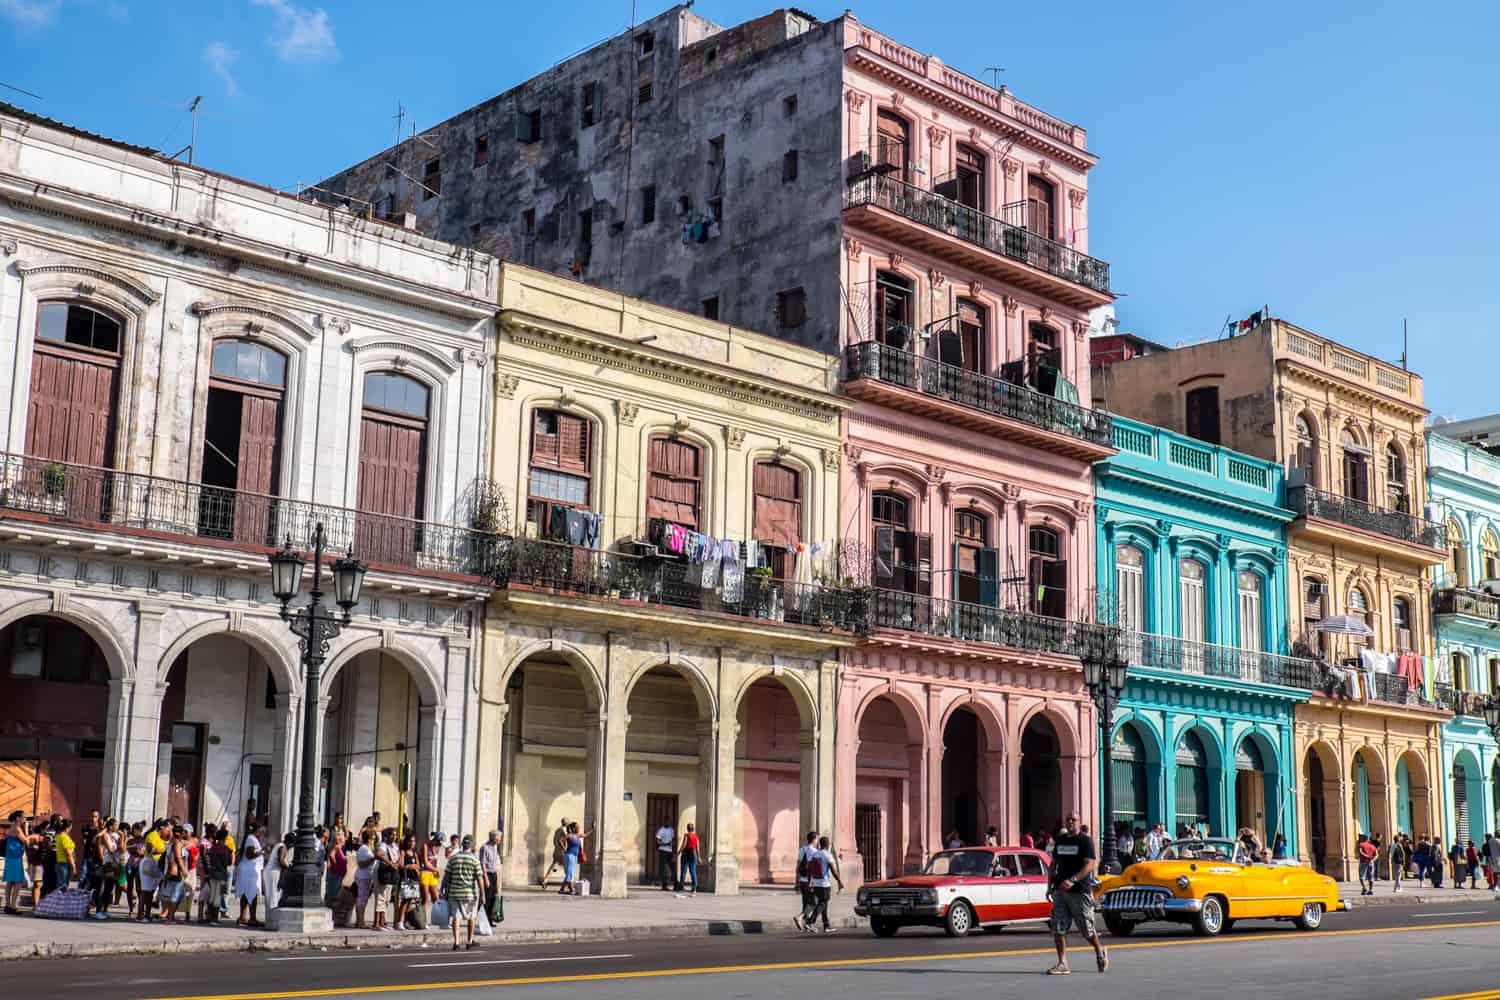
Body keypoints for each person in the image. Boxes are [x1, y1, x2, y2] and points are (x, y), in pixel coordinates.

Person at [1046, 812, 1108, 976]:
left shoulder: (1085, 841)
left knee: (1086, 930)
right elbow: (1053, 865)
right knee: (1058, 928)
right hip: (1060, 890)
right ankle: (1062, 963)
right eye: (1068, 820)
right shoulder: (1061, 840)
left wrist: (1073, 880)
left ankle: (1099, 952)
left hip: (1079, 891)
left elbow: (1089, 865)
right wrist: (1049, 886)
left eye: (1074, 820)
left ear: (1079, 822)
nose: (1070, 822)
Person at [441, 835, 484, 951]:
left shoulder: (453, 858)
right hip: (469, 893)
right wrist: (483, 895)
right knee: (472, 917)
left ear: (462, 845)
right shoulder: (475, 860)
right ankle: (469, 941)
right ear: (473, 846)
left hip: (454, 893)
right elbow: (480, 878)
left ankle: (456, 942)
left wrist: (442, 889)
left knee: (456, 917)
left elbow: (446, 876)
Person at [802, 835, 842, 933]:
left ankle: (826, 925)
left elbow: (809, 870)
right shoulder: (827, 855)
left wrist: (810, 882)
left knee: (823, 903)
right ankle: (810, 922)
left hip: (815, 883)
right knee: (823, 902)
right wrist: (840, 882)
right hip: (824, 884)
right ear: (827, 845)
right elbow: (834, 871)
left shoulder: (815, 854)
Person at [93, 817, 122, 920]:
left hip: (115, 864)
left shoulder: (117, 836)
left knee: (110, 888)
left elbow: (122, 848)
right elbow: (111, 850)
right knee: (103, 887)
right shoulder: (105, 836)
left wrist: (123, 838)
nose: (118, 827)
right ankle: (98, 910)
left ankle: (105, 909)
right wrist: (119, 848)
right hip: (107, 864)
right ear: (111, 826)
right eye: (116, 825)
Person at [374, 828, 401, 931]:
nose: (394, 837)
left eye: (395, 835)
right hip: (383, 872)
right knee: (380, 898)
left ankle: (382, 922)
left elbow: (397, 857)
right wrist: (390, 863)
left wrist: (396, 863)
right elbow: (379, 854)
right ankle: (377, 923)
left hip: (390, 874)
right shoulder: (383, 845)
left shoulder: (395, 846)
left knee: (387, 899)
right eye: (392, 835)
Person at [234, 833, 263, 927]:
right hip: (250, 871)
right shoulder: (251, 839)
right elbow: (249, 855)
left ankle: (243, 917)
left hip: (248, 870)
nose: (262, 833)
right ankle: (252, 918)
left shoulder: (250, 838)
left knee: (246, 894)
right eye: (261, 830)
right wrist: (262, 851)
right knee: (252, 894)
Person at [793, 831, 818, 931]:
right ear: (814, 839)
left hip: (802, 880)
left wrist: (797, 881)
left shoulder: (802, 849)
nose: (818, 840)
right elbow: (814, 868)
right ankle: (800, 917)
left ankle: (806, 925)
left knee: (805, 902)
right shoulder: (814, 852)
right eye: (817, 839)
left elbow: (798, 865)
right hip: (810, 881)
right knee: (813, 903)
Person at [353, 829, 377, 929]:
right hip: (363, 876)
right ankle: (360, 922)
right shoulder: (363, 849)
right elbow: (361, 864)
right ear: (369, 839)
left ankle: (359, 921)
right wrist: (373, 858)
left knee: (363, 899)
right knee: (362, 899)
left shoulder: (368, 848)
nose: (374, 841)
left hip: (367, 876)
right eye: (373, 839)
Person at [396, 833, 422, 929]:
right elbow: (401, 866)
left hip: (414, 879)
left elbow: (418, 866)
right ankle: (400, 921)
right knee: (405, 901)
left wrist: (416, 868)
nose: (412, 843)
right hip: (406, 879)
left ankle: (406, 921)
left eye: (414, 841)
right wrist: (410, 866)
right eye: (410, 841)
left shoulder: (415, 854)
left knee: (411, 901)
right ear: (406, 842)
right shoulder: (403, 852)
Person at [3, 812, 27, 914]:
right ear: (18, 818)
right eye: (23, 817)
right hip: (15, 857)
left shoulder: (12, 827)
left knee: (10, 881)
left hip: (11, 856)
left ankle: (8, 905)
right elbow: (26, 841)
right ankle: (13, 905)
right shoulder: (17, 829)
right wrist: (27, 830)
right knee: (18, 881)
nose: (25, 819)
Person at [561, 821, 593, 895]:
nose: (579, 828)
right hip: (569, 855)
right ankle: (571, 889)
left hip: (575, 856)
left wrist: (592, 829)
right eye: (577, 827)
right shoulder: (569, 835)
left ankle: (562, 889)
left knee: (571, 872)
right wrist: (564, 848)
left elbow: (585, 835)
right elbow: (560, 840)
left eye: (579, 827)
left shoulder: (577, 835)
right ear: (573, 828)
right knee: (570, 873)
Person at [478, 830, 501, 919]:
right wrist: (486, 878)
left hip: (494, 873)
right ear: (493, 838)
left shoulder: (495, 847)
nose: (500, 840)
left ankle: (490, 919)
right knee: (486, 897)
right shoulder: (485, 848)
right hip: (487, 874)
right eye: (498, 838)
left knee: (493, 897)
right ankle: (483, 918)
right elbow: (482, 863)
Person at [540, 818, 569, 889]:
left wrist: (557, 847)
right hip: (563, 852)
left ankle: (545, 880)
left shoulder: (557, 830)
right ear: (566, 823)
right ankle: (568, 884)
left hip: (556, 851)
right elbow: (564, 840)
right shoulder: (564, 830)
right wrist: (565, 848)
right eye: (568, 823)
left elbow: (554, 840)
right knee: (567, 869)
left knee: (553, 867)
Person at [53, 817, 77, 895]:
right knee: (63, 886)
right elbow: (68, 853)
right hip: (65, 864)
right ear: (68, 827)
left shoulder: (58, 836)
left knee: (60, 885)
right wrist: (73, 866)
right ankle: (60, 903)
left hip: (60, 863)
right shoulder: (64, 837)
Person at [678, 823, 700, 895]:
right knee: (693, 871)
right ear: (693, 829)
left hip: (686, 854)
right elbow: (697, 848)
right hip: (693, 854)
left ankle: (681, 887)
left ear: (687, 828)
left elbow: (684, 845)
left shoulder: (686, 835)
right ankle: (694, 889)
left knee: (683, 871)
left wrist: (678, 852)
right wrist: (698, 857)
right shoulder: (696, 837)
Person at [654, 820, 675, 891]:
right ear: (664, 822)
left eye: (668, 822)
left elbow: (672, 839)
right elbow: (657, 840)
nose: (667, 823)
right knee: (664, 868)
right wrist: (665, 844)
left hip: (670, 851)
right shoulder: (661, 830)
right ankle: (664, 884)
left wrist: (673, 847)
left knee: (671, 867)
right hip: (663, 850)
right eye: (666, 822)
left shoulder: (671, 830)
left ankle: (674, 883)